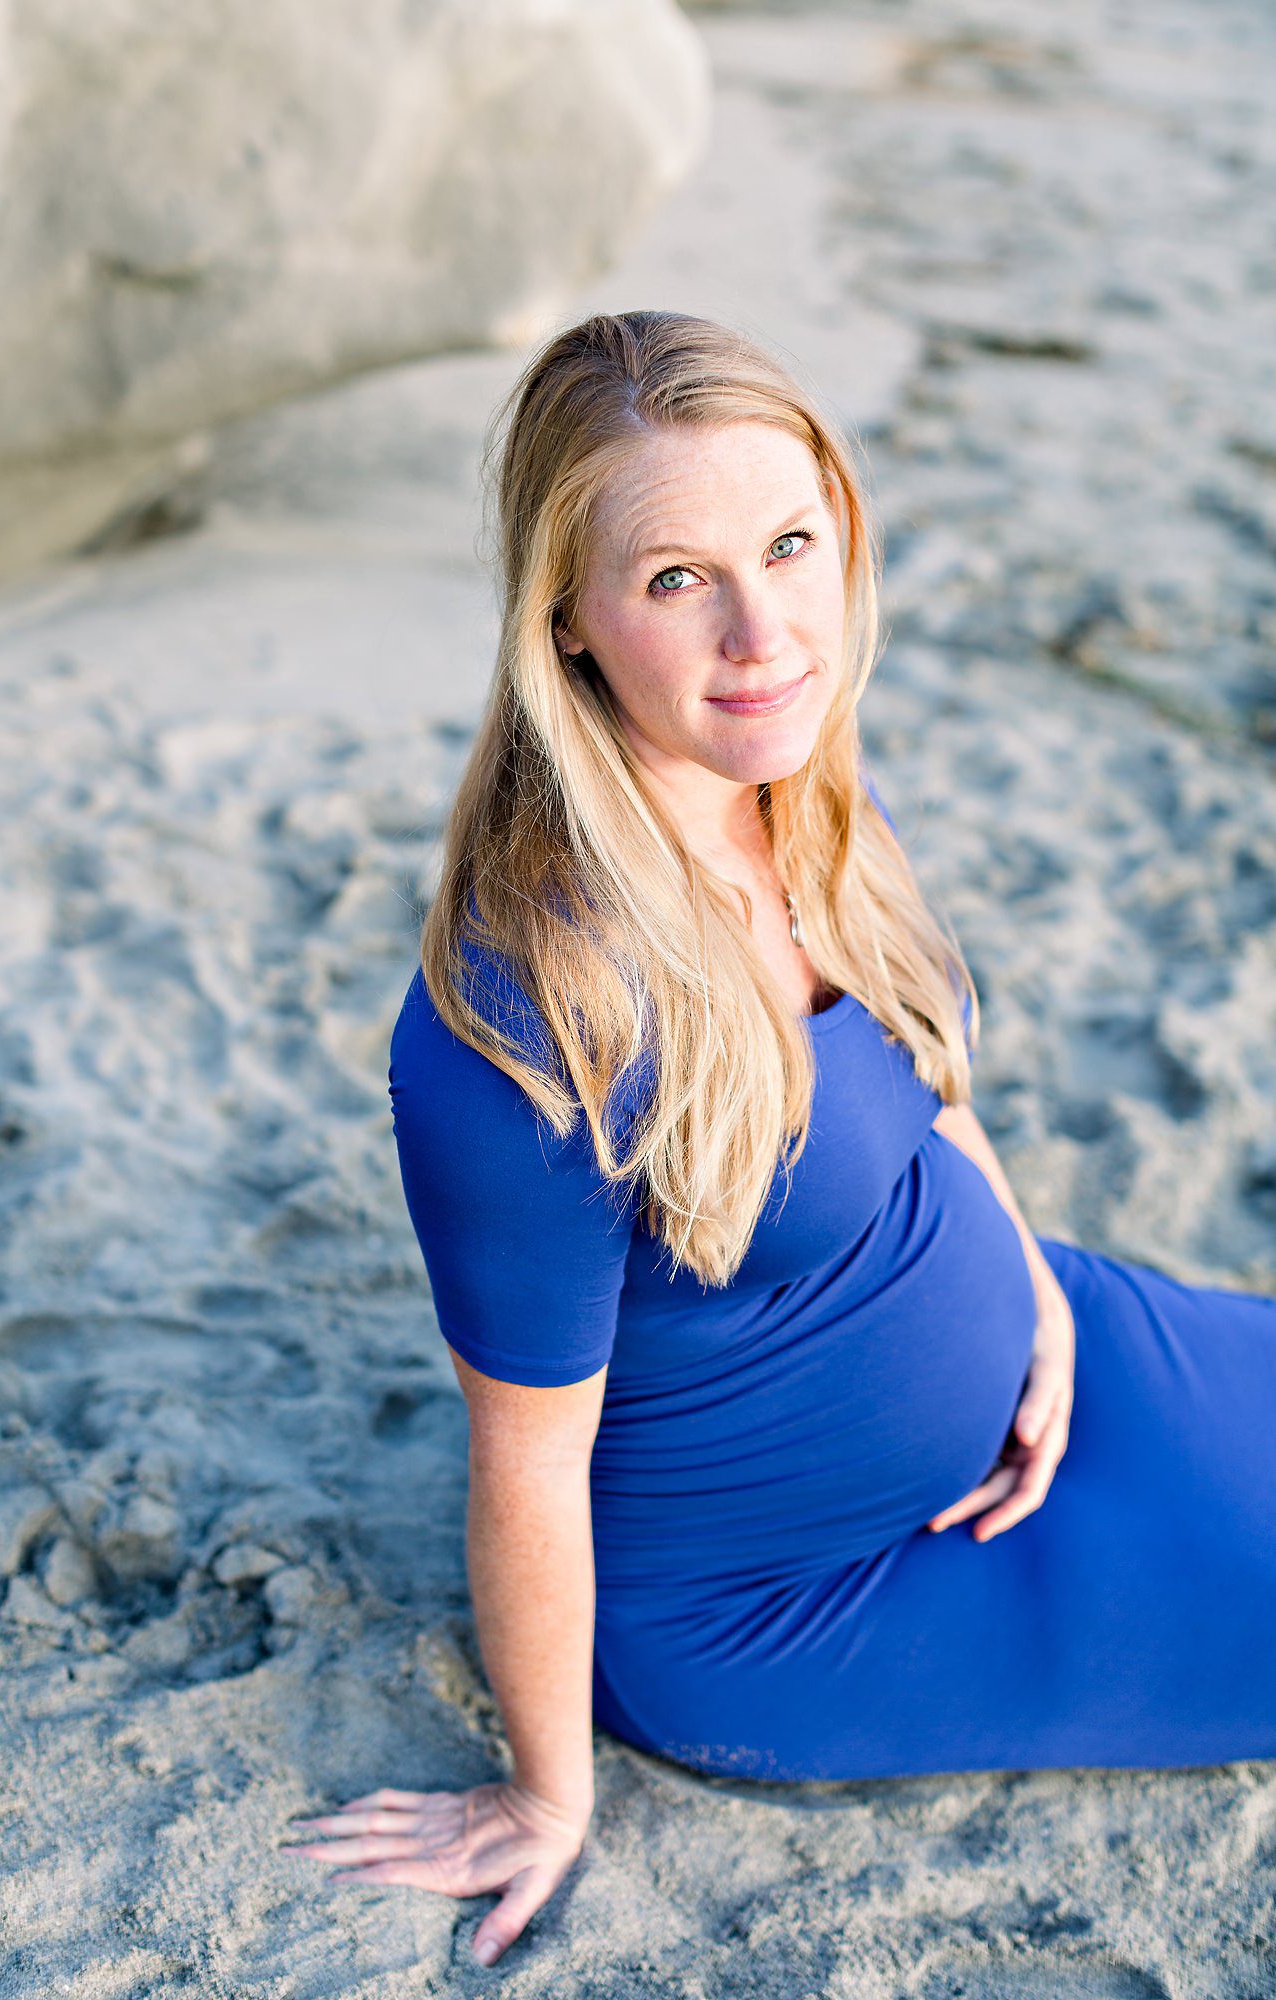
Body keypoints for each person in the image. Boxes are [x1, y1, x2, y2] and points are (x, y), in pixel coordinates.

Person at [281, 311, 1276, 1967]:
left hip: (1052, 1355)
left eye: (789, 546)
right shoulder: (524, 1029)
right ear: (568, 622)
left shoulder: (790, 786)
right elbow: (524, 1460)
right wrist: (545, 1796)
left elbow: (930, 1090)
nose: (762, 632)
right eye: (675, 580)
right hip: (806, 1592)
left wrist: (1025, 1283)